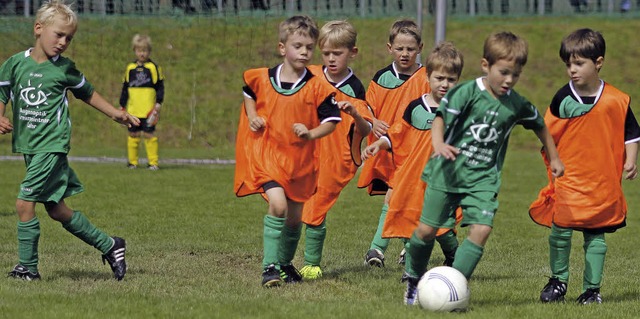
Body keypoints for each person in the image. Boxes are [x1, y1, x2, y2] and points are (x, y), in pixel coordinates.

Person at [400, 31, 565, 306]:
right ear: (486, 65)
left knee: (481, 230)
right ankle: (414, 278)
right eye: (503, 72)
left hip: (483, 179)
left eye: (515, 74)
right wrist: (439, 144)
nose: (509, 80)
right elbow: (440, 119)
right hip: (446, 172)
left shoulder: (516, 103)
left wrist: (555, 157)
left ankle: (452, 285)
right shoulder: (466, 92)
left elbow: (539, 125)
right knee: (426, 232)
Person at [0, 0, 139, 281]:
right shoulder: (14, 64)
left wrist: (116, 114)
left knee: (24, 204)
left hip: (52, 146)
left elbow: (87, 92)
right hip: (30, 146)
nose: (64, 42)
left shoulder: (65, 69)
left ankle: (28, 268)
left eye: (69, 38)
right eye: (59, 34)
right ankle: (110, 245)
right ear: (38, 28)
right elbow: (2, 94)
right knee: (56, 209)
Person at [234, 15, 357, 288]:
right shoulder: (264, 77)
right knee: (277, 205)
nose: (304, 52)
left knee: (295, 217)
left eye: (309, 47)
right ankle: (269, 267)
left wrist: (311, 133)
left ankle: (285, 263)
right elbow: (248, 92)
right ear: (282, 48)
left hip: (301, 162)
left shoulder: (316, 85)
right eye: (298, 46)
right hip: (269, 155)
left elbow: (331, 122)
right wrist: (253, 116)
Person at [530, 28, 640, 305]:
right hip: (569, 178)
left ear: (598, 62)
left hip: (602, 181)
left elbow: (632, 134)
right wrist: (553, 158)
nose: (572, 70)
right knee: (560, 229)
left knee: (596, 233)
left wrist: (630, 159)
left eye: (579, 63)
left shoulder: (617, 99)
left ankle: (592, 290)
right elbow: (547, 132)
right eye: (568, 64)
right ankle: (558, 282)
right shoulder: (562, 98)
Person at [361, 42, 464, 268]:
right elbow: (398, 133)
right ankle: (381, 250)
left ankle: (453, 252)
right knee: (400, 206)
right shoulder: (416, 108)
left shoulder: (460, 111)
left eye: (451, 79)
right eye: (439, 78)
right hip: (412, 174)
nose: (445, 84)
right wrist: (379, 144)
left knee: (441, 226)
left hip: (442, 178)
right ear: (427, 77)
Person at [300, 20, 373, 280]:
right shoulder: (310, 75)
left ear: (352, 52)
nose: (331, 59)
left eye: (337, 53)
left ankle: (311, 263)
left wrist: (355, 113)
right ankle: (279, 262)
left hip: (336, 158)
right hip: (306, 151)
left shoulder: (354, 89)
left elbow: (365, 131)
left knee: (317, 206)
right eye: (326, 53)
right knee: (289, 206)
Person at [357, 19, 429, 267]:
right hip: (386, 150)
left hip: (414, 152)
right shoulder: (381, 78)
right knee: (399, 200)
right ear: (390, 48)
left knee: (395, 198)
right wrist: (373, 121)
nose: (405, 53)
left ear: (420, 47)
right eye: (400, 48)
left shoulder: (426, 77)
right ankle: (410, 248)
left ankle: (376, 249)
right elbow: (366, 106)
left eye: (410, 48)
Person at [120, 34, 165, 170]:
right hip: (133, 110)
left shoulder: (153, 68)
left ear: (149, 51)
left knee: (149, 134)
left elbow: (160, 87)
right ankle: (133, 162)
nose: (142, 53)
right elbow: (125, 88)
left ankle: (153, 162)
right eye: (139, 50)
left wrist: (158, 103)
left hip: (148, 110)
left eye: (145, 50)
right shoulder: (130, 68)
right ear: (135, 50)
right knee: (133, 134)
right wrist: (122, 105)